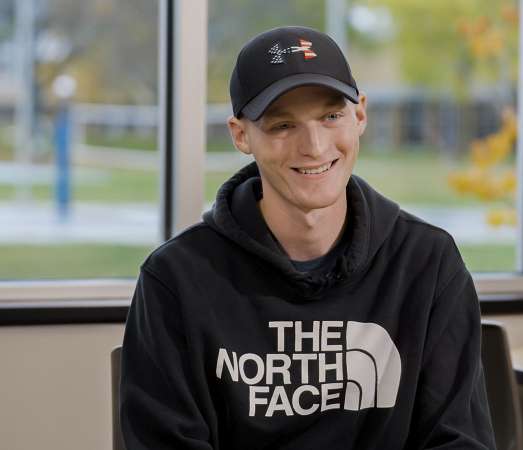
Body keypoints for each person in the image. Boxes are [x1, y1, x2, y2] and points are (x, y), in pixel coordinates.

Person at [120, 25, 496, 450]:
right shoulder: (177, 279)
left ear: (359, 115)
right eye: (283, 125)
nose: (314, 147)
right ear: (241, 134)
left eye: (331, 116)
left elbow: (458, 441)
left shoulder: (427, 263)